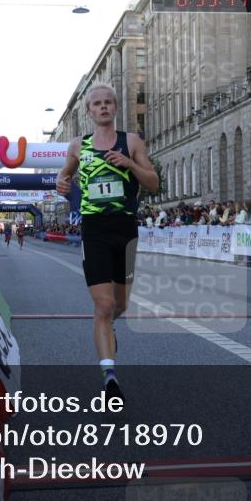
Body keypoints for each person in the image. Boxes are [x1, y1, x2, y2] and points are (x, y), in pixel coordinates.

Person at [56, 84, 159, 401]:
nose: (102, 107)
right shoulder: (77, 146)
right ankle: (109, 377)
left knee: (120, 305)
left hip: (125, 230)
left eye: (108, 103)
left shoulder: (131, 142)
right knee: (103, 305)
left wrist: (130, 164)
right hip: (95, 230)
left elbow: (153, 183)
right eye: (96, 104)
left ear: (115, 108)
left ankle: (106, 326)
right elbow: (64, 177)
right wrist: (62, 183)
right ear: (88, 111)